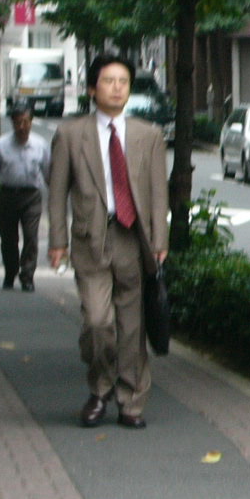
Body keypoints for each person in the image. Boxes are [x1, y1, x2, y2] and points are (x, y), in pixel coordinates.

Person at [48, 55, 168, 430]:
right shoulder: (71, 134)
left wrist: (160, 239)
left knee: (132, 327)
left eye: (123, 81)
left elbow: (158, 191)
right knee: (98, 323)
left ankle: (131, 400)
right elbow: (57, 192)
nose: (117, 88)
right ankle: (100, 387)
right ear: (91, 89)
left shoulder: (148, 135)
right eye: (109, 81)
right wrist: (57, 241)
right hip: (91, 240)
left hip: (134, 239)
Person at [0, 103, 51, 292]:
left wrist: (56, 197)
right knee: (8, 238)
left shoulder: (40, 145)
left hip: (31, 197)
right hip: (8, 195)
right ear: (12, 123)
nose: (22, 127)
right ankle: (10, 271)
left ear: (31, 122)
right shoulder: (2, 144)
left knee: (31, 237)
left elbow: (48, 173)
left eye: (26, 122)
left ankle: (27, 275)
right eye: (18, 122)